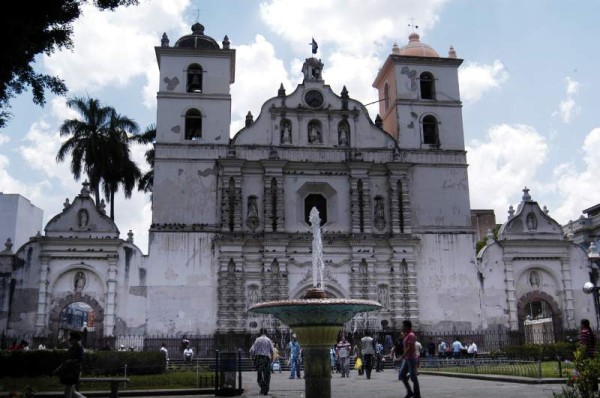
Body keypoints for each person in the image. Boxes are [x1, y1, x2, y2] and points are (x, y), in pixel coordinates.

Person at [53, 330, 86, 398]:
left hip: (73, 372)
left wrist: (71, 361)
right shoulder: (73, 347)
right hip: (71, 371)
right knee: (72, 391)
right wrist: (59, 368)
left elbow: (81, 359)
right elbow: (66, 360)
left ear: (75, 339)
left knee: (68, 391)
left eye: (71, 338)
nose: (69, 339)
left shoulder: (79, 348)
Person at [398, 320, 421, 398]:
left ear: (407, 327)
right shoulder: (407, 335)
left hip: (411, 359)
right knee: (401, 375)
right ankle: (410, 392)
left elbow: (410, 348)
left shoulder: (411, 335)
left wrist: (402, 356)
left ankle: (417, 395)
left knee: (413, 377)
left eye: (403, 326)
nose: (402, 327)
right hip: (407, 359)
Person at [249, 328, 274, 396]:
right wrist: (271, 360)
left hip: (259, 358)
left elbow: (251, 351)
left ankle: (263, 387)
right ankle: (265, 389)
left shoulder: (257, 340)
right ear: (266, 333)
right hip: (266, 359)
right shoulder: (269, 340)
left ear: (260, 333)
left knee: (259, 375)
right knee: (267, 375)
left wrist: (253, 358)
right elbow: (272, 351)